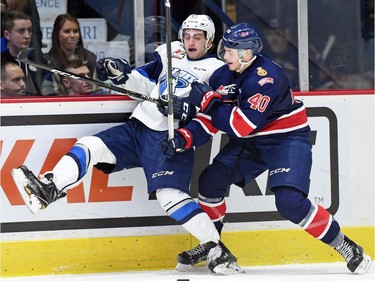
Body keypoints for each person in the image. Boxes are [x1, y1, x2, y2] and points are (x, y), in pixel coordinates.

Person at [11, 14, 243, 275]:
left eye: (197, 37)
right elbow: (142, 82)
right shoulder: (170, 52)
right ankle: (49, 189)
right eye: (187, 35)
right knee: (91, 145)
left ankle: (217, 248)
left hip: (168, 137)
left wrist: (188, 115)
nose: (190, 40)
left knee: (169, 196)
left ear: (209, 41)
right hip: (139, 127)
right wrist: (121, 74)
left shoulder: (218, 69)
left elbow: (217, 114)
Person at [162, 23, 373, 275]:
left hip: (286, 140)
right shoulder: (223, 75)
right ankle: (213, 245)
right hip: (251, 143)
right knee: (209, 183)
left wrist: (208, 102)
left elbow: (240, 126)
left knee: (290, 202)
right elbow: (211, 118)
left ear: (247, 53)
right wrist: (186, 137)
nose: (224, 55)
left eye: (230, 51)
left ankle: (346, 246)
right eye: (224, 48)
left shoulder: (267, 77)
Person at [41, 13, 97, 96]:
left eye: (76, 31)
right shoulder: (47, 60)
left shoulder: (89, 57)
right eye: (67, 31)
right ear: (57, 34)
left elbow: (97, 89)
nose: (72, 35)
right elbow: (47, 92)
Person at [1, 9, 44, 95]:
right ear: (7, 35)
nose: (27, 36)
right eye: (21, 31)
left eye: (29, 30)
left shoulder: (39, 61)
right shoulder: (1, 62)